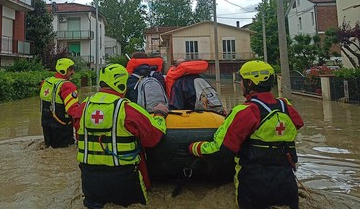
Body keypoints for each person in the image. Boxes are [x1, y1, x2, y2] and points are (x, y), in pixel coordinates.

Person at [187, 60, 304, 209]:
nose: (240, 83)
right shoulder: (285, 105)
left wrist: (194, 147)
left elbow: (221, 150)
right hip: (287, 185)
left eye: (241, 80)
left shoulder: (245, 111)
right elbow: (298, 124)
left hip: (255, 186)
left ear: (249, 83)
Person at [74, 63, 168, 208]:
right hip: (122, 179)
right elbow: (153, 138)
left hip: (90, 182)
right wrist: (160, 115)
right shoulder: (128, 109)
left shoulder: (82, 108)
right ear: (121, 85)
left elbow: (79, 136)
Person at [39, 58, 79, 148]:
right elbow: (73, 111)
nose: (73, 72)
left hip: (46, 124)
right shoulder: (67, 86)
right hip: (62, 128)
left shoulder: (46, 82)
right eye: (70, 70)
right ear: (64, 70)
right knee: (64, 152)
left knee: (49, 148)